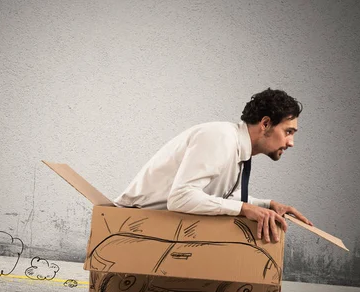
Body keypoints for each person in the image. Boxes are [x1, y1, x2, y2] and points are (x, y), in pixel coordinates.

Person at [113, 88, 313, 243]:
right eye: (288, 132)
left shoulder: (238, 149)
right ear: (266, 123)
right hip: (131, 225)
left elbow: (220, 197)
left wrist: (266, 205)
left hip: (156, 226)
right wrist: (244, 209)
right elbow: (180, 198)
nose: (291, 143)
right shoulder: (221, 138)